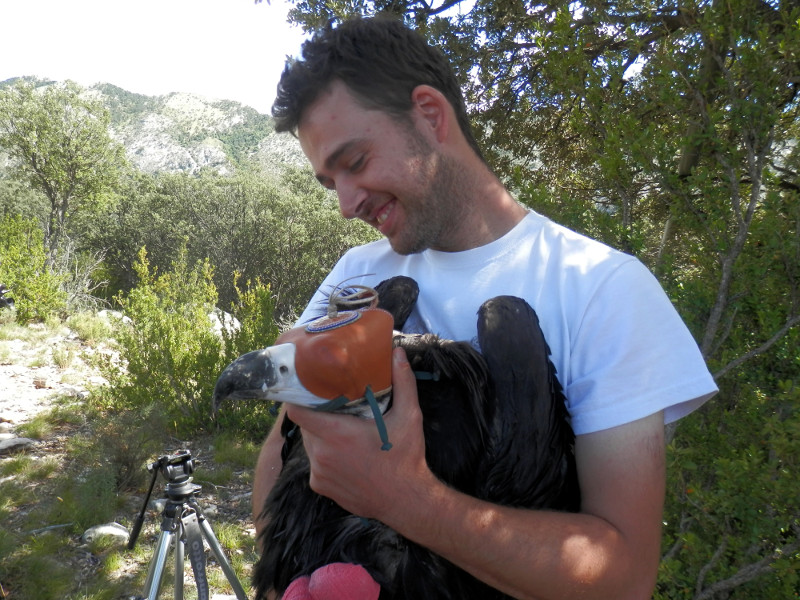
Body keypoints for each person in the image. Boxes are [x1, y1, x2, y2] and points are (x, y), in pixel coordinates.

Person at [254, 16, 718, 600]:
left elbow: (622, 579)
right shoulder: (357, 277)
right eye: (330, 183)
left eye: (355, 161)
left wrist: (403, 498)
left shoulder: (602, 289)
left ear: (429, 114)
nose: (346, 204)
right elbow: (284, 449)